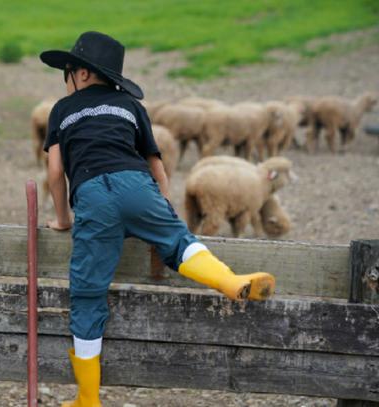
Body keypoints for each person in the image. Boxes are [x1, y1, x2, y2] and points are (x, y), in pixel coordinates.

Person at [40, 31, 275, 407]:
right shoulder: (130, 105)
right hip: (138, 184)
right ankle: (231, 281)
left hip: (92, 196)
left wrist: (63, 220)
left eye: (66, 72)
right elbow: (158, 167)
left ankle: (87, 398)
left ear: (81, 74)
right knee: (179, 242)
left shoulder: (61, 111)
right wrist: (159, 213)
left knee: (87, 294)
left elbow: (54, 173)